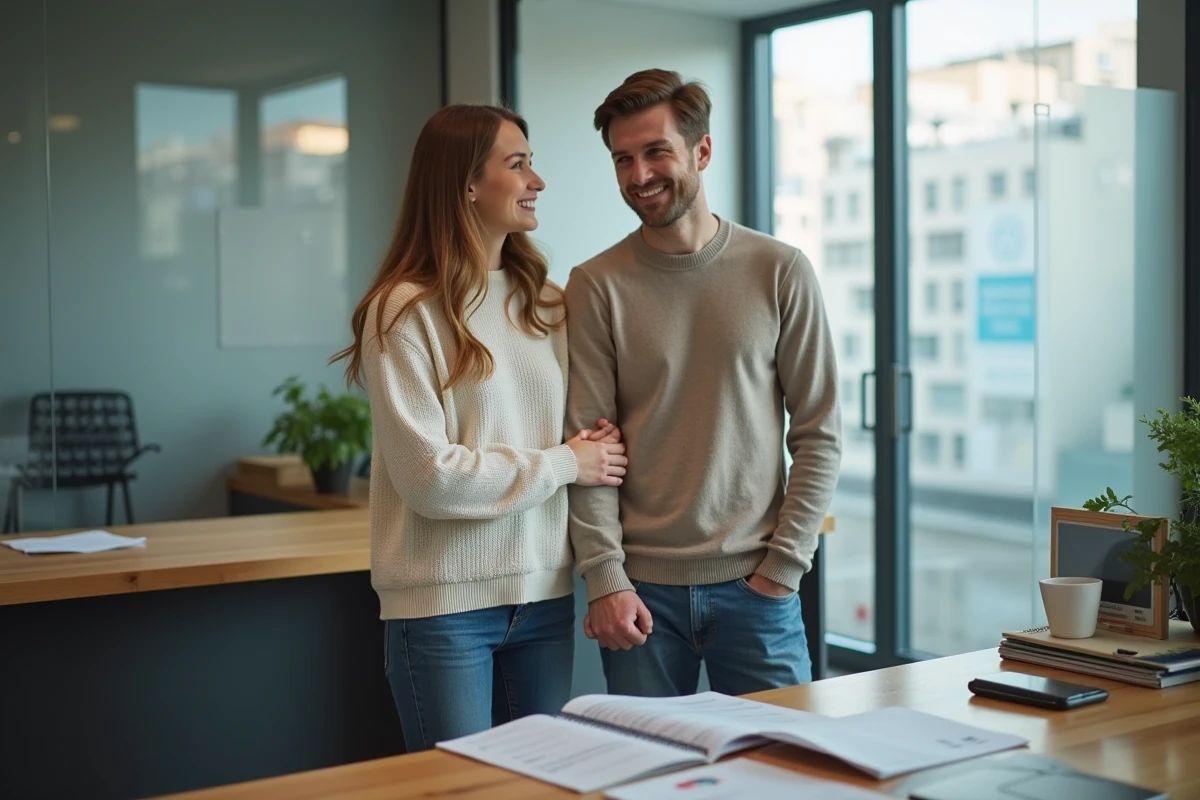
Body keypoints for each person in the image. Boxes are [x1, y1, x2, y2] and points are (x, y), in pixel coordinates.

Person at [333, 104, 627, 750]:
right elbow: (428, 479)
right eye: (517, 164)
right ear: (466, 183)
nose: (537, 181)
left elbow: (588, 429)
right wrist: (562, 464)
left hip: (546, 597)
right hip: (442, 612)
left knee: (540, 788)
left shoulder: (547, 300)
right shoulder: (402, 311)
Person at [565, 69, 842, 697]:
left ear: (702, 150)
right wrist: (606, 578)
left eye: (656, 151)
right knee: (646, 782)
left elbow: (820, 433)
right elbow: (585, 450)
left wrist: (783, 569)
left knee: (786, 774)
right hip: (641, 597)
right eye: (623, 159)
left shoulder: (780, 271)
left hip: (759, 588)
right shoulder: (596, 285)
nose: (639, 176)